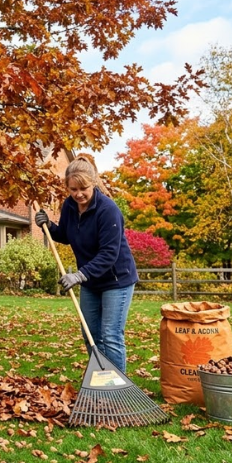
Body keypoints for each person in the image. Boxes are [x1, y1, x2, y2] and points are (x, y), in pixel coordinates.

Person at [35, 156, 138, 373]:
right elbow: (65, 234)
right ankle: (102, 381)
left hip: (116, 280)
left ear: (93, 183)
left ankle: (118, 389)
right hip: (91, 281)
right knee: (90, 334)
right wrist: (48, 226)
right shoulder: (70, 207)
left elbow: (109, 254)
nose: (78, 194)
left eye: (83, 188)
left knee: (110, 335)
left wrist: (79, 276)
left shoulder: (107, 210)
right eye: (73, 189)